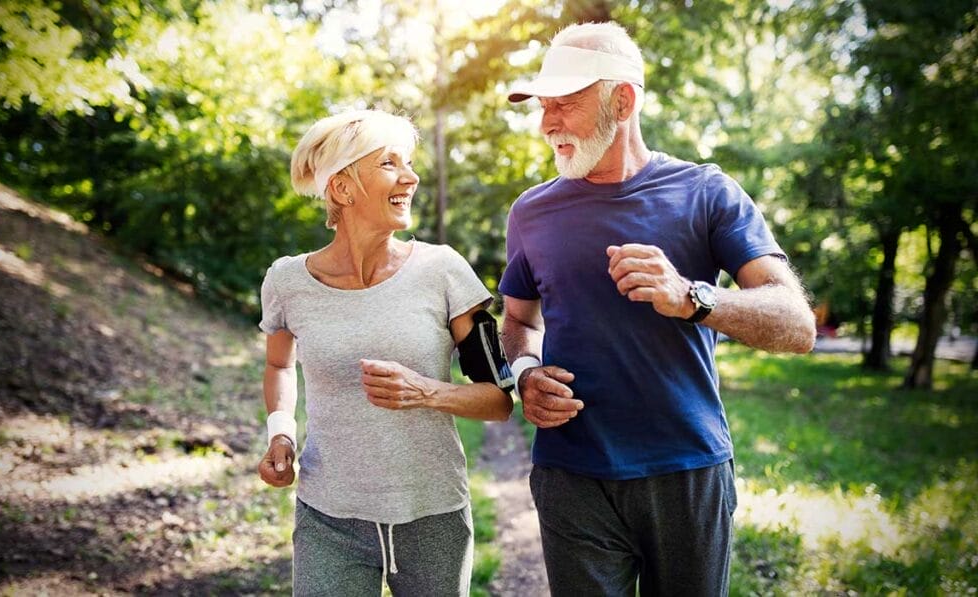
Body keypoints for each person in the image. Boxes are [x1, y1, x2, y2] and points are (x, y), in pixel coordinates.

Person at [499, 22, 816, 596]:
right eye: (543, 108)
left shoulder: (707, 193)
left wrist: (693, 297)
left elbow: (796, 325)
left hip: (686, 469)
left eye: (565, 105)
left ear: (623, 101)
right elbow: (519, 322)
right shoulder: (530, 212)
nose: (548, 125)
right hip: (571, 473)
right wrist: (524, 373)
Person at [256, 109, 514, 596]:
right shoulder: (287, 280)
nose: (411, 177)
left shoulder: (445, 271)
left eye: (410, 162)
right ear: (342, 188)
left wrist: (427, 392)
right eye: (390, 163)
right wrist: (281, 434)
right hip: (328, 515)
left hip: (431, 515)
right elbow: (278, 363)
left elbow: (499, 400)